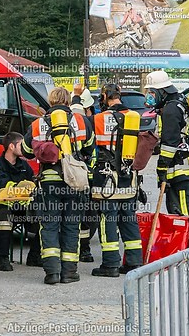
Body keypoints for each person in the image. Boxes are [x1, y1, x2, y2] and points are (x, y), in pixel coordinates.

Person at [22, 87, 96, 285]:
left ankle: (52, 273)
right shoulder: (81, 121)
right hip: (74, 182)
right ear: (69, 101)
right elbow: (90, 147)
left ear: (51, 101)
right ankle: (69, 271)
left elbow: (26, 150)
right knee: (72, 226)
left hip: (49, 182)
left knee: (49, 226)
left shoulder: (38, 124)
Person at [91, 83, 143, 277]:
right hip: (129, 178)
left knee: (108, 220)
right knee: (129, 218)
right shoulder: (134, 117)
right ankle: (134, 262)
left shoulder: (98, 118)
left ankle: (111, 264)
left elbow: (89, 145)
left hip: (107, 179)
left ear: (105, 96)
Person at [145, 70, 189, 219]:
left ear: (162, 91)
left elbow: (170, 143)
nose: (149, 96)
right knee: (179, 207)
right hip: (182, 163)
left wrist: (161, 168)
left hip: (179, 166)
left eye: (152, 92)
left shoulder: (170, 109)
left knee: (182, 212)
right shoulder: (178, 102)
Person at [0, 132, 41, 271]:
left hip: (21, 205)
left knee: (41, 214)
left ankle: (34, 256)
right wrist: (20, 187)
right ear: (11, 146)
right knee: (5, 216)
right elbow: (1, 187)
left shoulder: (24, 165)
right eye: (22, 145)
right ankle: (3, 259)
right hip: (0, 205)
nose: (25, 148)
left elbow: (31, 184)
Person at [70, 86, 97, 262]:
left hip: (70, 175)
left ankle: (78, 250)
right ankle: (84, 251)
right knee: (86, 215)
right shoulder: (86, 122)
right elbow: (92, 151)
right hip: (84, 176)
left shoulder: (65, 121)